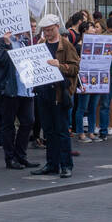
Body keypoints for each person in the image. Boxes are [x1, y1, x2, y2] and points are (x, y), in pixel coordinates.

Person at [29, 14, 79, 178]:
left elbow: (75, 68)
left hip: (59, 93)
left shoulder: (66, 45)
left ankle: (66, 165)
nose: (48, 33)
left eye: (50, 30)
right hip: (44, 92)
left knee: (62, 130)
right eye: (45, 30)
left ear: (57, 27)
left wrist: (61, 65)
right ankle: (52, 164)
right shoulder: (41, 44)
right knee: (48, 131)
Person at [0, 21, 37, 168]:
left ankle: (21, 155)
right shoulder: (0, 41)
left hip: (26, 89)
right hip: (10, 90)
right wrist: (7, 44)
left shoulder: (25, 42)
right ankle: (10, 158)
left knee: (28, 122)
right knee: (8, 125)